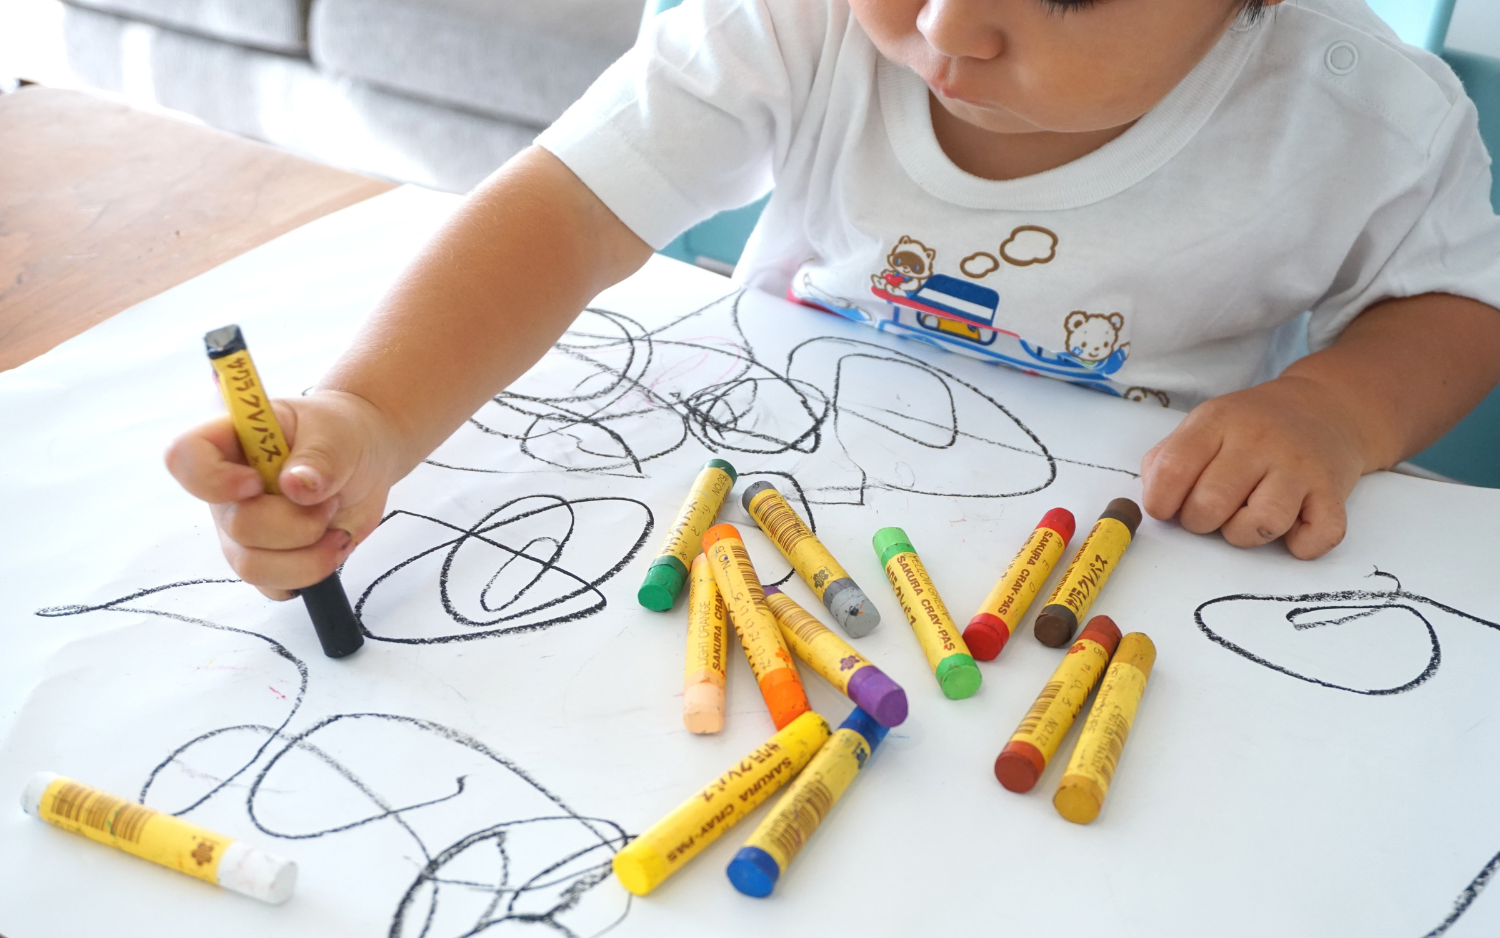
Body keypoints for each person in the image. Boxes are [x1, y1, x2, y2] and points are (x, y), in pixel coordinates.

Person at [166, 0, 1500, 600]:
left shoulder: (1356, 116)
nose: (948, 30)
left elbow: (1459, 303)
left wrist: (1333, 407)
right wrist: (371, 412)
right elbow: (566, 210)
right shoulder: (791, 21)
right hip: (780, 523)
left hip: (1131, 570)